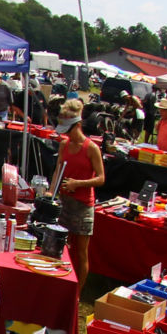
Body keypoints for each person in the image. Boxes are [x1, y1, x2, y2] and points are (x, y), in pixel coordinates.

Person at [55, 102, 103, 282]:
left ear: (78, 125)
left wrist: (78, 183)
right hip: (64, 202)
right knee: (59, 246)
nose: (66, 134)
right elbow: (57, 171)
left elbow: (101, 178)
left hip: (83, 206)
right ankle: (62, 283)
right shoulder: (64, 145)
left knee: (81, 252)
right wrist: (51, 193)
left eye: (69, 130)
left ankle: (77, 293)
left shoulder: (91, 148)